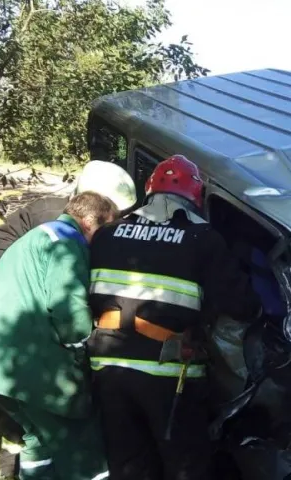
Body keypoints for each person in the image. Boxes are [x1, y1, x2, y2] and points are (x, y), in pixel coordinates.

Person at [86, 155, 261, 480]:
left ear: (149, 192)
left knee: (128, 466)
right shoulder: (203, 239)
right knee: (186, 466)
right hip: (168, 375)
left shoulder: (107, 235)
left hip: (108, 369)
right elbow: (241, 304)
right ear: (196, 197)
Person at [0, 192, 120, 480]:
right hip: (24, 365)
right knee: (81, 440)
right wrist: (85, 352)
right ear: (91, 222)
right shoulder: (67, 243)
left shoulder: (40, 235)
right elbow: (69, 308)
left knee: (37, 441)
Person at [0, 160, 137, 262]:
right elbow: (1, 237)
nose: (117, 219)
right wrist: (24, 278)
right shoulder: (45, 212)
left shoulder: (117, 229)